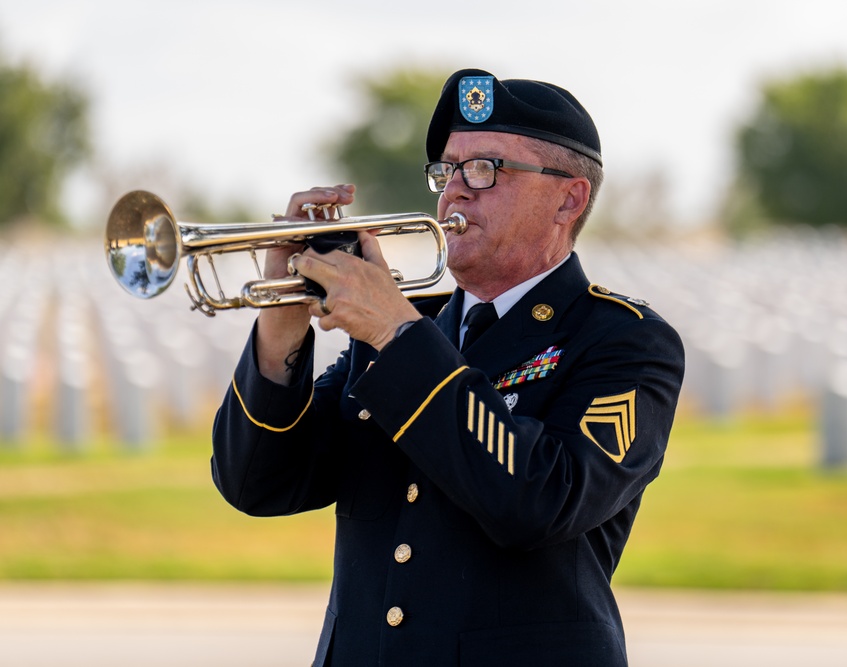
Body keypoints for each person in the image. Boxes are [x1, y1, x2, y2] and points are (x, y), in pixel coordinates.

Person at [211, 68, 685, 667]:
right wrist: (281, 328)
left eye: (487, 169)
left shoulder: (625, 342)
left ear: (569, 198)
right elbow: (257, 484)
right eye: (449, 169)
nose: (455, 191)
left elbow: (540, 498)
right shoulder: (411, 327)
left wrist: (397, 332)